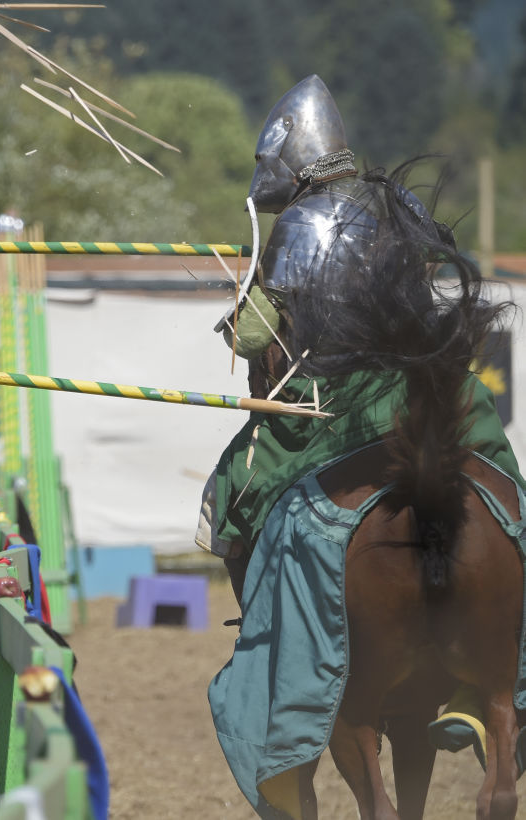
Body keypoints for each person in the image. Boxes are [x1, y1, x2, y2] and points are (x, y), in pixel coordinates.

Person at [198, 74, 522, 763]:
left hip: (331, 403)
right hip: (421, 390)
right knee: (497, 477)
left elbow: (256, 341)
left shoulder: (300, 224)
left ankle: (264, 637)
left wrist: (236, 318)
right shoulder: (395, 203)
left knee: (230, 493)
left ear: (291, 155)